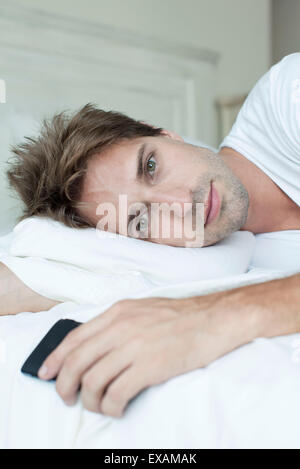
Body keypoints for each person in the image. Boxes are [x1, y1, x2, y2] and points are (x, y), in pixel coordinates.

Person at [0, 54, 299, 418]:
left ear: (162, 132)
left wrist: (209, 318)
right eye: (140, 221)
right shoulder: (220, 262)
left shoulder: (287, 98)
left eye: (151, 167)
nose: (179, 202)